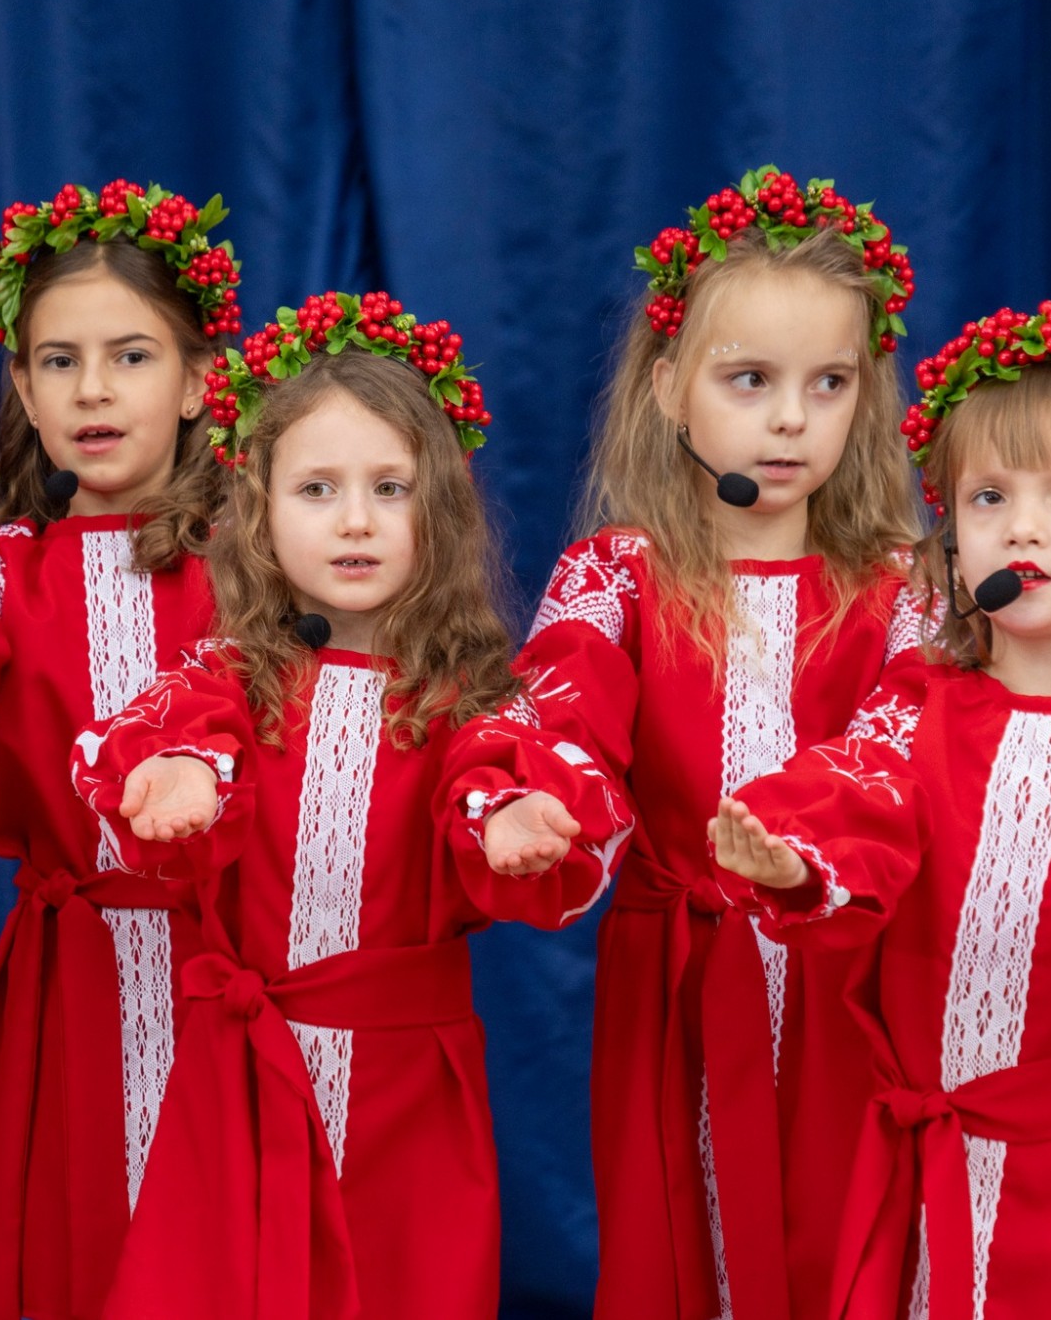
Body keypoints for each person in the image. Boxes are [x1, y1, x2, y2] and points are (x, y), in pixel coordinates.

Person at [74, 294, 633, 1319]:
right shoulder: (229, 676)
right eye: (318, 488)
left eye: (389, 488)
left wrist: (513, 818)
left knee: (399, 1281)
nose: (355, 520)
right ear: (259, 510)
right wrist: (177, 779)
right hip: (240, 1076)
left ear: (442, 511)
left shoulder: (465, 697)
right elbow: (158, 737)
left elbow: (507, 768)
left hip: (403, 1092)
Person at [714, 304, 1051, 1320]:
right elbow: (849, 792)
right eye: (986, 497)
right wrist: (791, 860)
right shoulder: (918, 702)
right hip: (918, 1162)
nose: (1020, 526)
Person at [515, 168, 923, 1319]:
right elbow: (560, 706)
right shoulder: (618, 574)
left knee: (848, 1239)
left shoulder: (901, 590)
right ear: (666, 388)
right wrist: (543, 799)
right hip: (675, 986)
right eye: (749, 380)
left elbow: (909, 735)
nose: (790, 419)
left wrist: (805, 847)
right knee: (675, 1241)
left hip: (852, 986)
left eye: (827, 383)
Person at [0, 179, 237, 1320]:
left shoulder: (250, 547)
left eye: (129, 356)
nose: (93, 388)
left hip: (224, 964)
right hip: (70, 980)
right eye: (57, 361)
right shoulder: (3, 565)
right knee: (74, 1252)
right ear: (20, 385)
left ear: (200, 378)